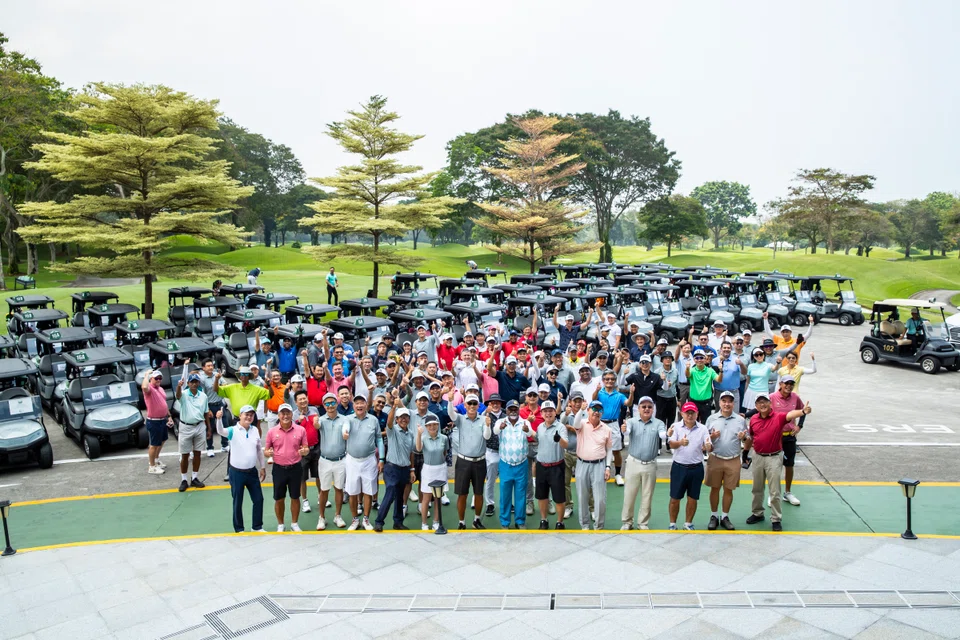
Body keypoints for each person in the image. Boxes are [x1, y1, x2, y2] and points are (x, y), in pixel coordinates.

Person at [743, 393, 810, 532]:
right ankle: (757, 513)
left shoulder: (778, 417)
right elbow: (751, 438)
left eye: (765, 402)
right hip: (757, 456)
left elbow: (791, 415)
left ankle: (776, 518)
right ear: (756, 406)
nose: (763, 405)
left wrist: (802, 411)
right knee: (757, 488)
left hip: (773, 457)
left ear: (770, 404)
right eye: (759, 402)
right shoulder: (754, 419)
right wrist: (745, 453)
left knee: (774, 490)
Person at [215, 405, 266, 533]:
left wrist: (262, 467)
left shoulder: (254, 430)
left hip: (252, 472)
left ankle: (257, 526)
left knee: (258, 499)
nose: (249, 417)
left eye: (251, 415)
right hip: (237, 472)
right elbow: (221, 431)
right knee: (238, 501)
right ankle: (239, 529)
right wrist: (219, 419)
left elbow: (259, 450)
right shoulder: (233, 430)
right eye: (246, 414)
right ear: (240, 415)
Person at [620, 396, 665, 530]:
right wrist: (624, 429)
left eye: (649, 407)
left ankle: (643, 523)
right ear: (638, 408)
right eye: (643, 406)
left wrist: (667, 434)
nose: (646, 409)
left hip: (650, 464)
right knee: (629, 494)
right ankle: (627, 522)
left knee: (647, 495)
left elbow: (663, 434)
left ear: (653, 409)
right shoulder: (631, 421)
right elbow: (627, 430)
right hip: (633, 463)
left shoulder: (659, 423)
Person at [704, 391, 747, 531]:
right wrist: (712, 436)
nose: (727, 404)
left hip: (733, 459)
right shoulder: (711, 419)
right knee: (714, 488)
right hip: (715, 458)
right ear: (719, 402)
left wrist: (744, 438)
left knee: (729, 489)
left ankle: (725, 516)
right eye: (724, 401)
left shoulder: (741, 420)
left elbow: (748, 440)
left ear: (733, 403)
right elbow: (705, 440)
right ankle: (713, 515)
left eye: (729, 401)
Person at [263, 404, 309, 532]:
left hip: (295, 468)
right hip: (278, 469)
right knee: (279, 498)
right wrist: (268, 453)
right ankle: (281, 524)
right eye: (282, 413)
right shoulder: (272, 432)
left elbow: (306, 448)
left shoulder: (300, 430)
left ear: (291, 414)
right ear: (278, 415)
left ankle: (294, 523)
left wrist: (304, 451)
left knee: (295, 497)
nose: (285, 416)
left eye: (288, 413)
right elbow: (266, 451)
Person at [667, 402, 712, 530]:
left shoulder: (703, 429)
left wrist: (708, 447)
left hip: (696, 468)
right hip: (679, 467)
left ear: (697, 414)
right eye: (687, 413)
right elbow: (671, 445)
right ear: (682, 414)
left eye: (692, 413)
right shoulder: (675, 427)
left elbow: (709, 445)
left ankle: (688, 523)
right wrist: (681, 442)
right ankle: (672, 523)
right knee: (675, 498)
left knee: (693, 498)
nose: (690, 415)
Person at [488, 400, 532, 529]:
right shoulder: (500, 422)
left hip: (521, 464)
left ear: (519, 410)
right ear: (506, 410)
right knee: (505, 495)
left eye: (515, 409)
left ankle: (520, 521)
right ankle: (505, 522)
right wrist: (500, 427)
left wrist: (527, 430)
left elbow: (530, 434)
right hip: (506, 464)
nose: (513, 411)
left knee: (520, 494)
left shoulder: (525, 422)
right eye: (510, 409)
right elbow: (495, 431)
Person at [447, 391, 488, 530]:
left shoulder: (483, 419)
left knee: (478, 493)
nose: (471, 406)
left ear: (478, 405)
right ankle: (461, 522)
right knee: (462, 493)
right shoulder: (460, 418)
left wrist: (488, 425)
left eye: (474, 403)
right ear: (465, 405)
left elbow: (487, 437)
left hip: (480, 461)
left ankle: (476, 520)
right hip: (463, 461)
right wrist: (450, 401)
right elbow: (451, 415)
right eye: (469, 403)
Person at [342, 394, 384, 531]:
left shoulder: (373, 420)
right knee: (353, 492)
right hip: (352, 460)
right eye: (356, 403)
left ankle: (366, 519)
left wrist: (381, 459)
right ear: (353, 406)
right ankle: (355, 519)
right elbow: (345, 428)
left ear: (366, 405)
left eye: (362, 403)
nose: (359, 405)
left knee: (368, 491)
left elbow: (379, 439)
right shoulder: (348, 419)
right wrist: (345, 433)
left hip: (369, 460)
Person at [375, 397, 416, 532]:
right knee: (391, 492)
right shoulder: (392, 431)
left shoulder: (410, 434)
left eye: (406, 417)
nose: (404, 419)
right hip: (392, 468)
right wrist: (394, 407)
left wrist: (412, 470)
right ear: (397, 420)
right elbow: (389, 422)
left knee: (400, 496)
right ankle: (379, 521)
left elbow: (411, 452)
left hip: (404, 469)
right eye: (401, 417)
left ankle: (398, 522)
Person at [572, 400, 613, 530]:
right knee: (582, 496)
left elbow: (609, 449)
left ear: (602, 413)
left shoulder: (607, 429)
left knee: (600, 498)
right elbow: (575, 424)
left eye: (599, 410)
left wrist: (608, 467)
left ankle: (598, 526)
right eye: (594, 409)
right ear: (589, 410)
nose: (596, 412)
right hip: (582, 464)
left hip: (599, 465)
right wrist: (580, 410)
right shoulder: (582, 424)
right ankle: (584, 525)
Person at [770, 375, 805, 507]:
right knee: (774, 466)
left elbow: (803, 411)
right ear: (781, 384)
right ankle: (773, 494)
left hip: (789, 436)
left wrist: (799, 426)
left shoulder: (795, 397)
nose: (789, 386)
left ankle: (787, 492)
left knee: (789, 465)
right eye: (786, 383)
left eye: (791, 383)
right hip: (775, 437)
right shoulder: (772, 397)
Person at [174, 371, 210, 492]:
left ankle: (194, 477)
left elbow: (205, 412)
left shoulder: (203, 396)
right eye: (192, 382)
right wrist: (179, 386)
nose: (194, 384)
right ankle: (184, 479)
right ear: (188, 383)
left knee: (198, 453)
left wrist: (208, 428)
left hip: (199, 425)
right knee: (185, 454)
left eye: (196, 382)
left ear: (198, 383)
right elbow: (178, 396)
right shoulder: (184, 394)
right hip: (186, 426)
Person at [316, 393, 348, 530]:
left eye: (332, 403)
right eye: (327, 404)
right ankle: (321, 517)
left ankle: (337, 515)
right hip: (325, 461)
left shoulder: (344, 419)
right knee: (324, 490)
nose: (330, 406)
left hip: (341, 460)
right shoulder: (321, 420)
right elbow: (317, 426)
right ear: (324, 405)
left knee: (339, 489)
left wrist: (346, 434)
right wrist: (315, 423)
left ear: (337, 403)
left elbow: (346, 431)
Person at [535, 401, 568, 530]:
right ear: (542, 413)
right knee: (542, 496)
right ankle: (544, 520)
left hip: (556, 466)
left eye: (550, 411)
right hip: (541, 465)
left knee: (559, 497)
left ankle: (560, 522)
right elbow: (537, 439)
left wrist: (559, 439)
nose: (548, 413)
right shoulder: (539, 427)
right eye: (545, 411)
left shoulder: (560, 427)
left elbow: (566, 445)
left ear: (555, 412)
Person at [416, 413, 449, 530]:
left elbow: (444, 453)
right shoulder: (423, 438)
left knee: (437, 498)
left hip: (440, 469)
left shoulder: (444, 438)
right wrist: (419, 435)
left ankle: (436, 521)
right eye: (429, 425)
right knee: (426, 497)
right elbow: (419, 449)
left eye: (435, 424)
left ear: (438, 425)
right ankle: (424, 523)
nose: (432, 427)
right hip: (428, 470)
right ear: (426, 427)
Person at [594, 370, 626, 486]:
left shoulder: (619, 395)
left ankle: (617, 474)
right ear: (603, 381)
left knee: (616, 450)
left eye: (612, 379)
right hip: (600, 423)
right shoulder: (599, 393)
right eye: (607, 379)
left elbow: (627, 403)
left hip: (614, 424)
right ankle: (602, 473)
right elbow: (593, 400)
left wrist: (632, 394)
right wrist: (596, 390)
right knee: (600, 449)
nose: (609, 381)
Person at [292, 390, 320, 515]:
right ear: (296, 402)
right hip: (302, 451)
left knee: (319, 475)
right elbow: (292, 433)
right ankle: (305, 500)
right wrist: (298, 421)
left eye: (304, 398)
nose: (303, 401)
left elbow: (319, 427)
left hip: (316, 448)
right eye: (300, 399)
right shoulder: (293, 415)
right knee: (302, 478)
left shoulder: (314, 410)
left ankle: (321, 496)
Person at [142, 369, 172, 475]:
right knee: (154, 444)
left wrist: (169, 416)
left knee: (162, 440)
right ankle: (152, 466)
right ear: (151, 379)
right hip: (153, 421)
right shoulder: (149, 389)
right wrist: (146, 375)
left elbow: (163, 403)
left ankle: (156, 459)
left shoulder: (160, 389)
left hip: (162, 419)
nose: (158, 380)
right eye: (156, 378)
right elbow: (144, 387)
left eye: (160, 378)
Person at [560, 391, 585, 520]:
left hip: (582, 454)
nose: (577, 403)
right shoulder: (567, 414)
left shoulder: (587, 414)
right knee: (565, 482)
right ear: (570, 402)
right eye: (575, 401)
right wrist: (566, 413)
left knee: (585, 483)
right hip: (567, 453)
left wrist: (572, 429)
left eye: (579, 400)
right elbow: (560, 424)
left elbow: (584, 430)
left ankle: (589, 508)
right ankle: (568, 506)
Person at [197, 358, 227, 458]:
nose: (211, 367)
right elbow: (202, 395)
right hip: (209, 405)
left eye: (211, 365)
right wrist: (207, 409)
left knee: (224, 424)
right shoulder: (201, 379)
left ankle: (225, 445)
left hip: (220, 404)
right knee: (209, 427)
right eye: (208, 366)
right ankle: (210, 448)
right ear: (203, 367)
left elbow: (224, 384)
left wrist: (222, 383)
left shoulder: (216, 375)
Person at [481, 394, 505, 517]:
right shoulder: (485, 416)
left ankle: (506, 502)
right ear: (489, 404)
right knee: (490, 479)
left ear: (500, 404)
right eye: (492, 403)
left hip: (506, 452)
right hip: (491, 451)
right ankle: (490, 503)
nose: (495, 405)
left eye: (497, 402)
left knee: (506, 480)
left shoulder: (506, 416)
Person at [685, 349, 721, 420]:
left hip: (706, 402)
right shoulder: (692, 370)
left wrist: (721, 371)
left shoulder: (710, 370)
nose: (699, 360)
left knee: (706, 423)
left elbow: (719, 380)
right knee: (693, 423)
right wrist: (687, 368)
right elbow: (687, 375)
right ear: (694, 360)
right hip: (694, 401)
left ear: (705, 359)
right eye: (697, 358)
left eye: (701, 358)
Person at [712, 342, 746, 413]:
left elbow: (744, 372)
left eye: (728, 348)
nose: (726, 349)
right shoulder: (714, 361)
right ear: (721, 349)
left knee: (735, 414)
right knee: (719, 414)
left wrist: (741, 364)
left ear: (731, 349)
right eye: (724, 348)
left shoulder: (736, 360)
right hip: (719, 392)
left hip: (733, 392)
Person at [742, 348, 777, 412]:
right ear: (754, 356)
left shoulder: (768, 365)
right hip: (751, 391)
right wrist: (745, 391)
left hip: (763, 391)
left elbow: (774, 368)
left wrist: (778, 362)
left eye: (761, 354)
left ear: (764, 355)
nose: (759, 356)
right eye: (756, 355)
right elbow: (748, 380)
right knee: (751, 411)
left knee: (763, 410)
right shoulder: (750, 366)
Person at [654, 351, 679, 429]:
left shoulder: (675, 371)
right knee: (661, 421)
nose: (668, 360)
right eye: (665, 358)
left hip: (672, 398)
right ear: (662, 360)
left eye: (669, 358)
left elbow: (677, 386)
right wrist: (663, 382)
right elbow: (655, 387)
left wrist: (679, 399)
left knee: (671, 421)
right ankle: (659, 440)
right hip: (661, 398)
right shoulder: (657, 372)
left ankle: (669, 440)